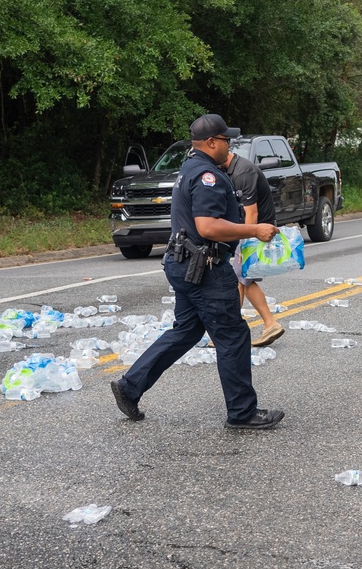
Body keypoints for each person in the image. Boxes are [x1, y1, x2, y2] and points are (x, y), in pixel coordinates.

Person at [110, 114, 284, 429]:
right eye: (226, 140)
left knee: (186, 331)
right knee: (233, 335)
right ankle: (242, 412)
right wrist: (254, 229)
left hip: (184, 264)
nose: (229, 145)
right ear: (211, 142)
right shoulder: (208, 176)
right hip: (205, 269)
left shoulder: (188, 170)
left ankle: (129, 387)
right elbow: (208, 226)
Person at [223, 149, 285, 347]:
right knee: (242, 280)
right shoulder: (228, 170)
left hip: (258, 229)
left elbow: (252, 213)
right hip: (247, 229)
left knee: (241, 278)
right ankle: (240, 329)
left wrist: (245, 244)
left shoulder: (244, 172)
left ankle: (267, 324)